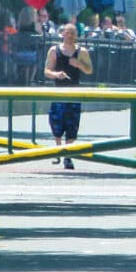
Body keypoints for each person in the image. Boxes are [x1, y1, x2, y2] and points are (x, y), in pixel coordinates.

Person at [43, 23, 93, 170]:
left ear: (77, 35)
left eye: (73, 33)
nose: (70, 36)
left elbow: (89, 70)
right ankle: (58, 150)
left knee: (72, 124)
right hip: (58, 92)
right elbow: (46, 70)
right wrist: (56, 74)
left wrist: (78, 64)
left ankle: (68, 156)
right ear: (62, 34)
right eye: (68, 33)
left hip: (74, 92)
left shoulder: (82, 51)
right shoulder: (54, 50)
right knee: (56, 122)